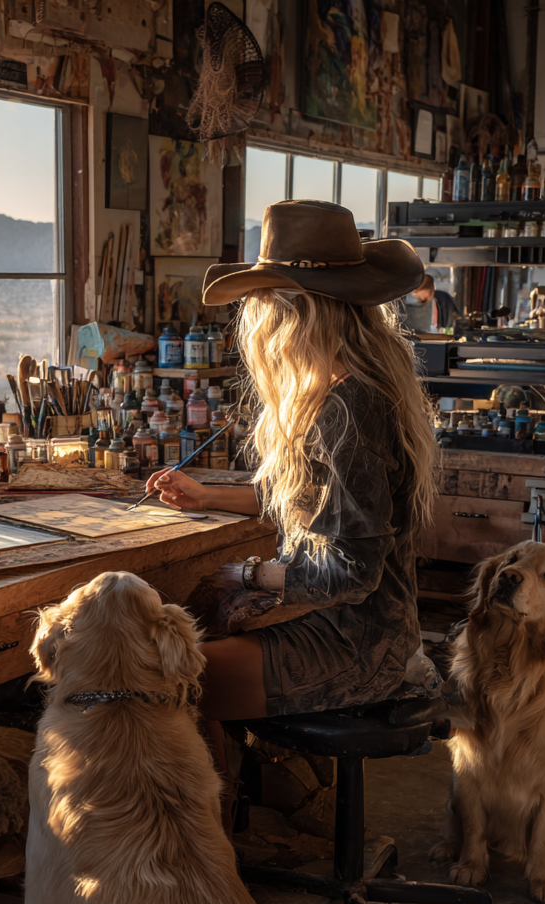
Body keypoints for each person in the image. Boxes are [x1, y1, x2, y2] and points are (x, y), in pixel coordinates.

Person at [144, 200, 436, 805]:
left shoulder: (348, 409)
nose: (259, 320)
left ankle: (207, 856)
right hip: (357, 627)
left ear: (296, 312)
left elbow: (352, 571)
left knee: (159, 681)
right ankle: (244, 821)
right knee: (188, 648)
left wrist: (249, 573)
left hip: (354, 642)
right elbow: (329, 507)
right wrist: (209, 497)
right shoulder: (352, 388)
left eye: (268, 303)